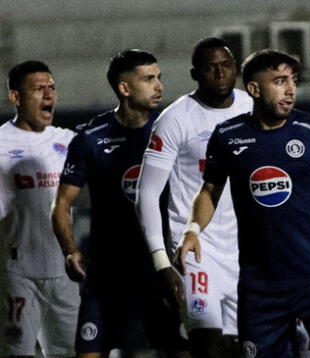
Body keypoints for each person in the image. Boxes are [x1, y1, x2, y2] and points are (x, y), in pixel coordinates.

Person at [174, 49, 310, 358]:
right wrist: (192, 230)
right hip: (260, 287)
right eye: (279, 81)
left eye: (292, 80)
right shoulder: (227, 137)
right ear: (254, 89)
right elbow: (209, 191)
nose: (290, 89)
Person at [51, 49, 186, 358]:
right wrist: (70, 249)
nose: (159, 86)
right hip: (106, 271)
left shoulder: (172, 131)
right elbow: (62, 204)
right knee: (89, 351)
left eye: (159, 78)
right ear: (124, 88)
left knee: (181, 349)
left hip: (161, 268)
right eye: (149, 79)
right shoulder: (90, 138)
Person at [136, 37, 252, 358]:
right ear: (194, 74)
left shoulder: (252, 110)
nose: (219, 73)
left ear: (236, 69)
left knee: (247, 347)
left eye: (226, 65)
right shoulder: (175, 119)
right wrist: (162, 262)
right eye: (210, 67)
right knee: (207, 342)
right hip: (196, 250)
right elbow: (146, 194)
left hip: (248, 250)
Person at [0, 61, 78, 358]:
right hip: (17, 272)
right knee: (17, 350)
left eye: (52, 87)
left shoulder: (67, 142)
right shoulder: (1, 144)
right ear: (16, 97)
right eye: (38, 89)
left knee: (70, 351)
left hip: (64, 273)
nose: (48, 95)